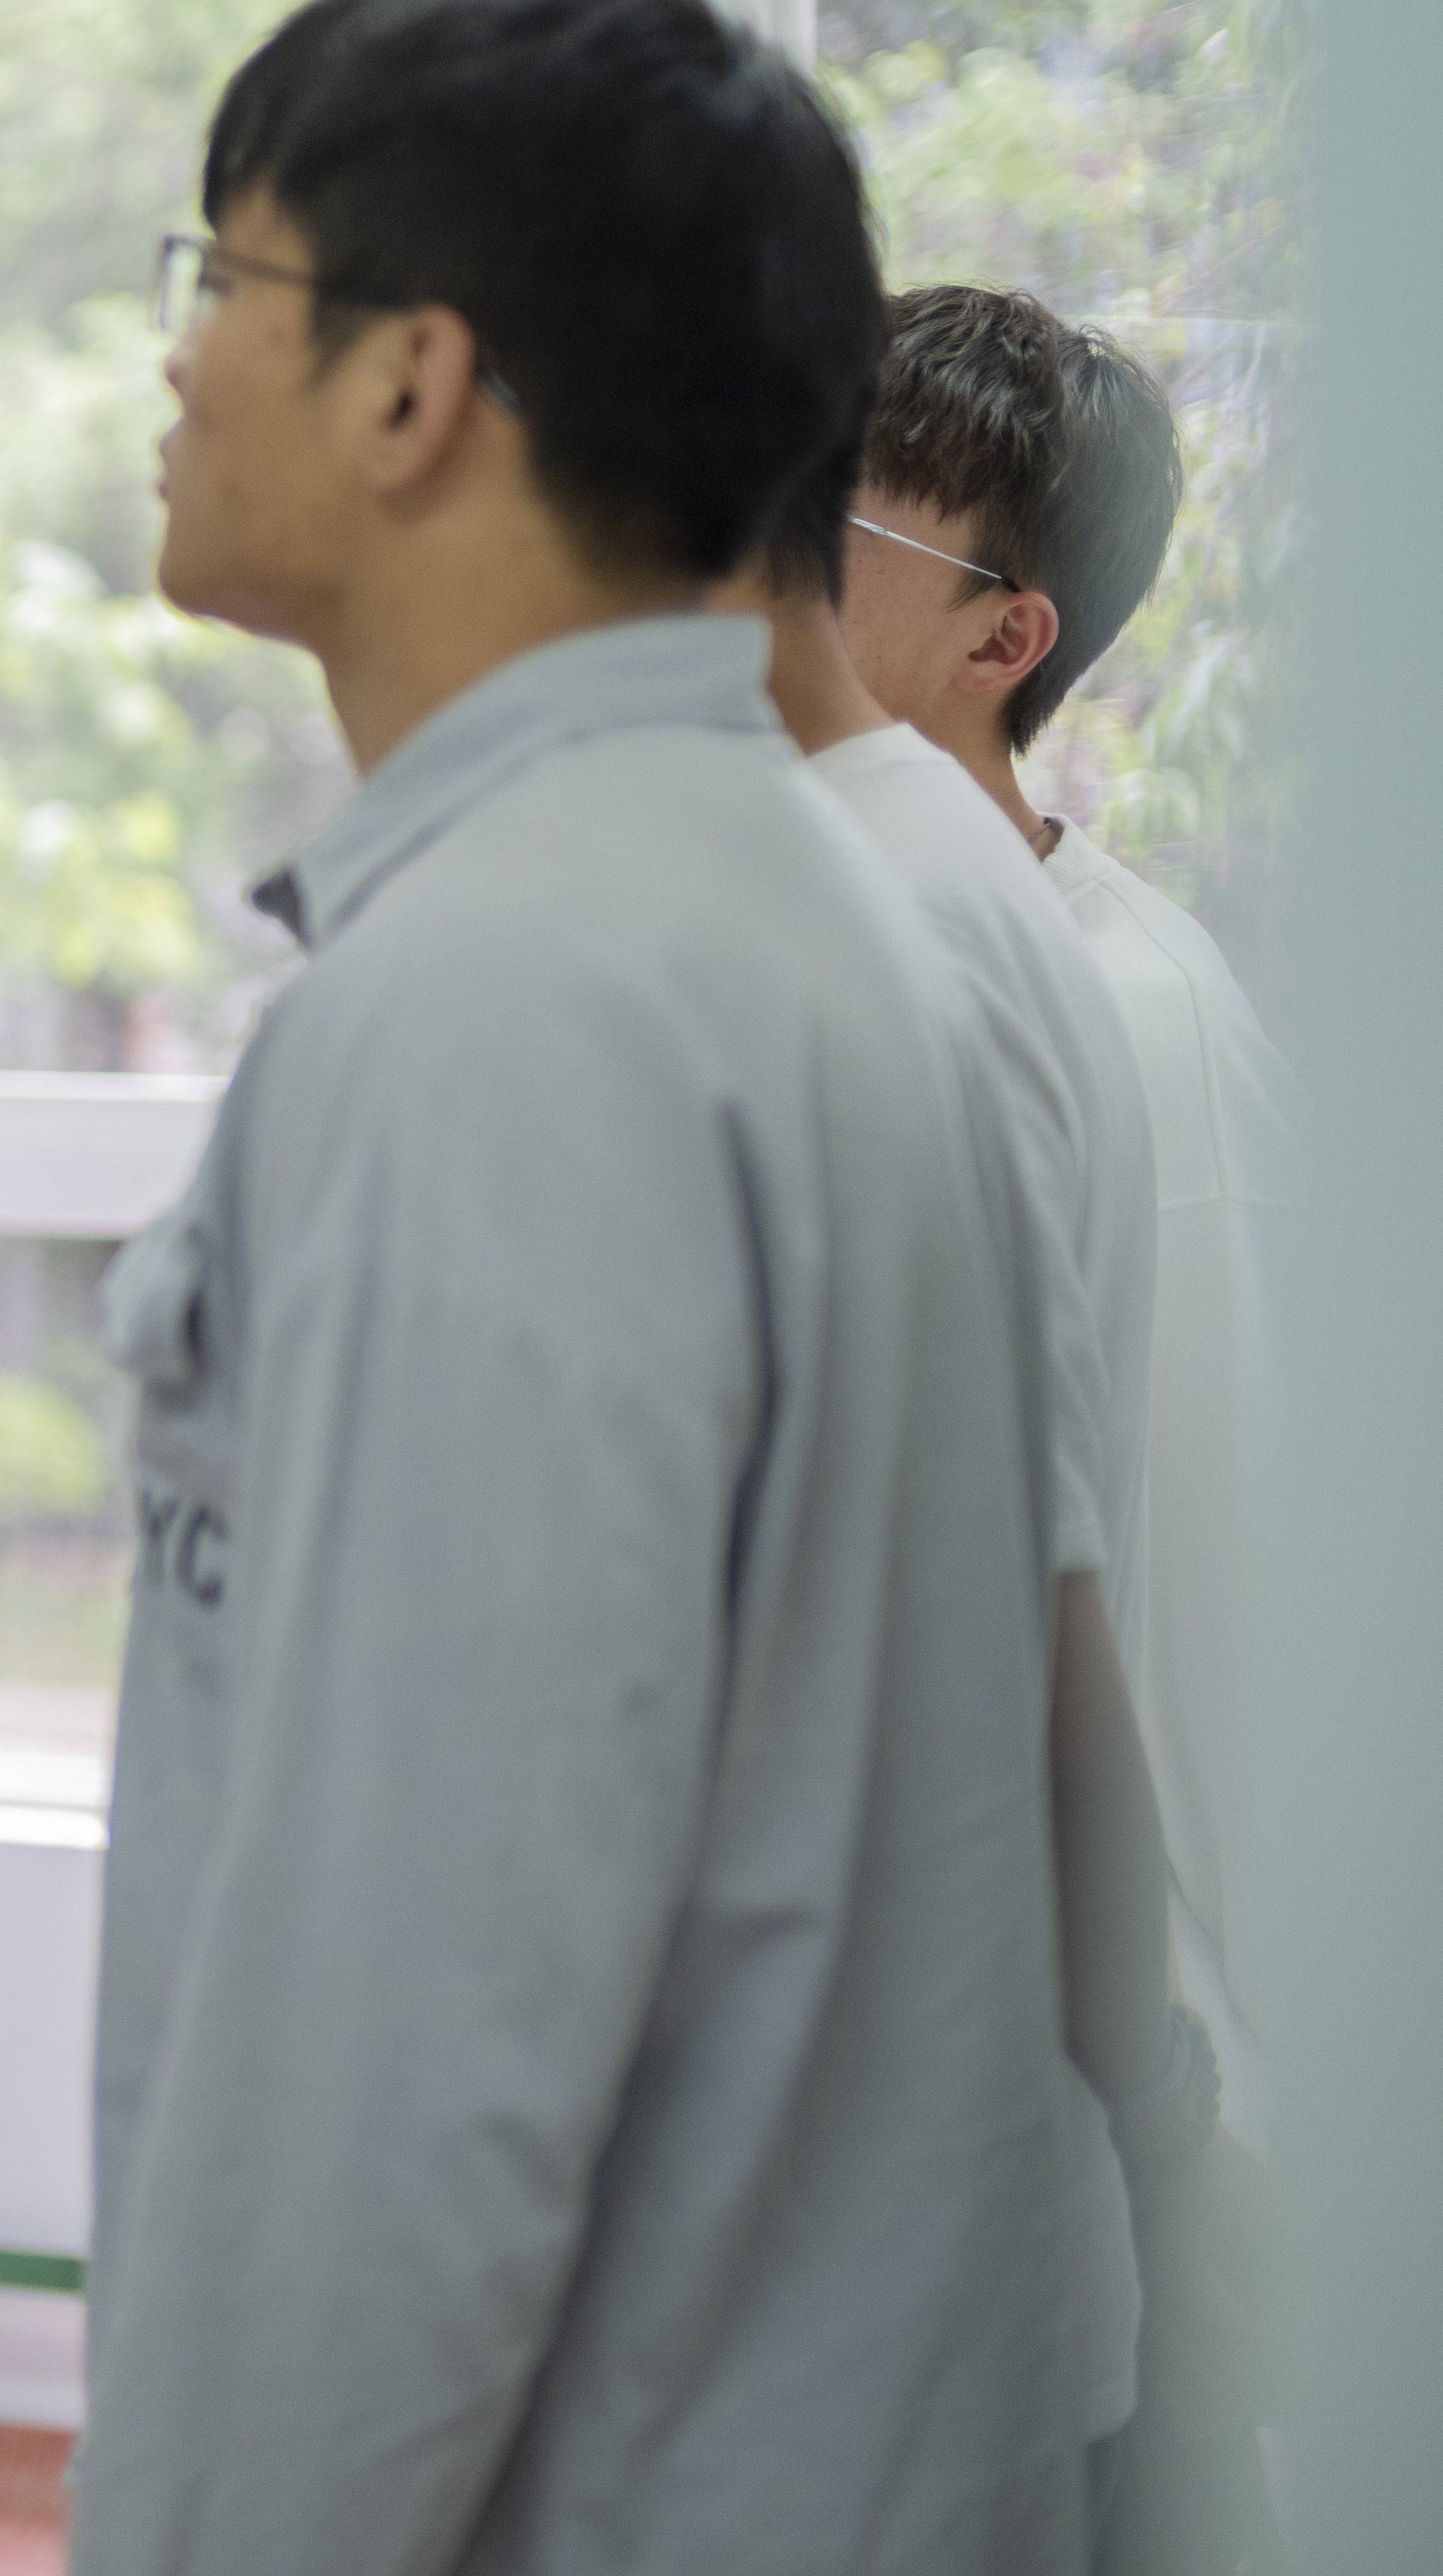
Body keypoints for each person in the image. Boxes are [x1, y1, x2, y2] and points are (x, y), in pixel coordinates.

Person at [74, 0, 1122, 2572]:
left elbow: (413, 2043)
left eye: (226, 278)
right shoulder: (792, 908)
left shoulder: (510, 1002)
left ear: (414, 384)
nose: (179, 363)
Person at [823, 287, 1286, 2570]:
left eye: (833, 530)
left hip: (1110, 2086)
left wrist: (1204, 2107)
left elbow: (1206, 1607)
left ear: (1006, 638)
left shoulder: (1134, 1017)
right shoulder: (809, 939)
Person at [721, 436, 1177, 2474]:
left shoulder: (899, 919)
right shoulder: (876, 871)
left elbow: (1061, 1639)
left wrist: (1168, 2099)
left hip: (887, 2235)